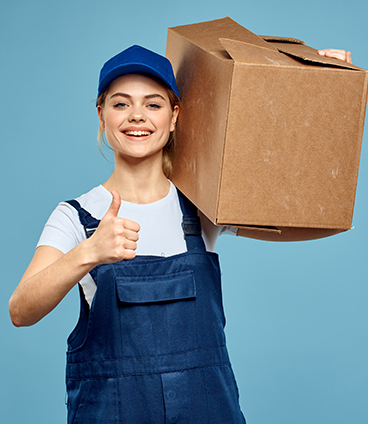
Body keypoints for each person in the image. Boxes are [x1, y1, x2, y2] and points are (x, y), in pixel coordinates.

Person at [9, 44, 352, 424]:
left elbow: (316, 219)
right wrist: (88, 253)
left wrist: (322, 86)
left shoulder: (203, 207)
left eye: (153, 104)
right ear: (101, 116)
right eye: (121, 104)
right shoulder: (76, 216)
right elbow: (20, 311)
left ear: (174, 117)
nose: (136, 115)